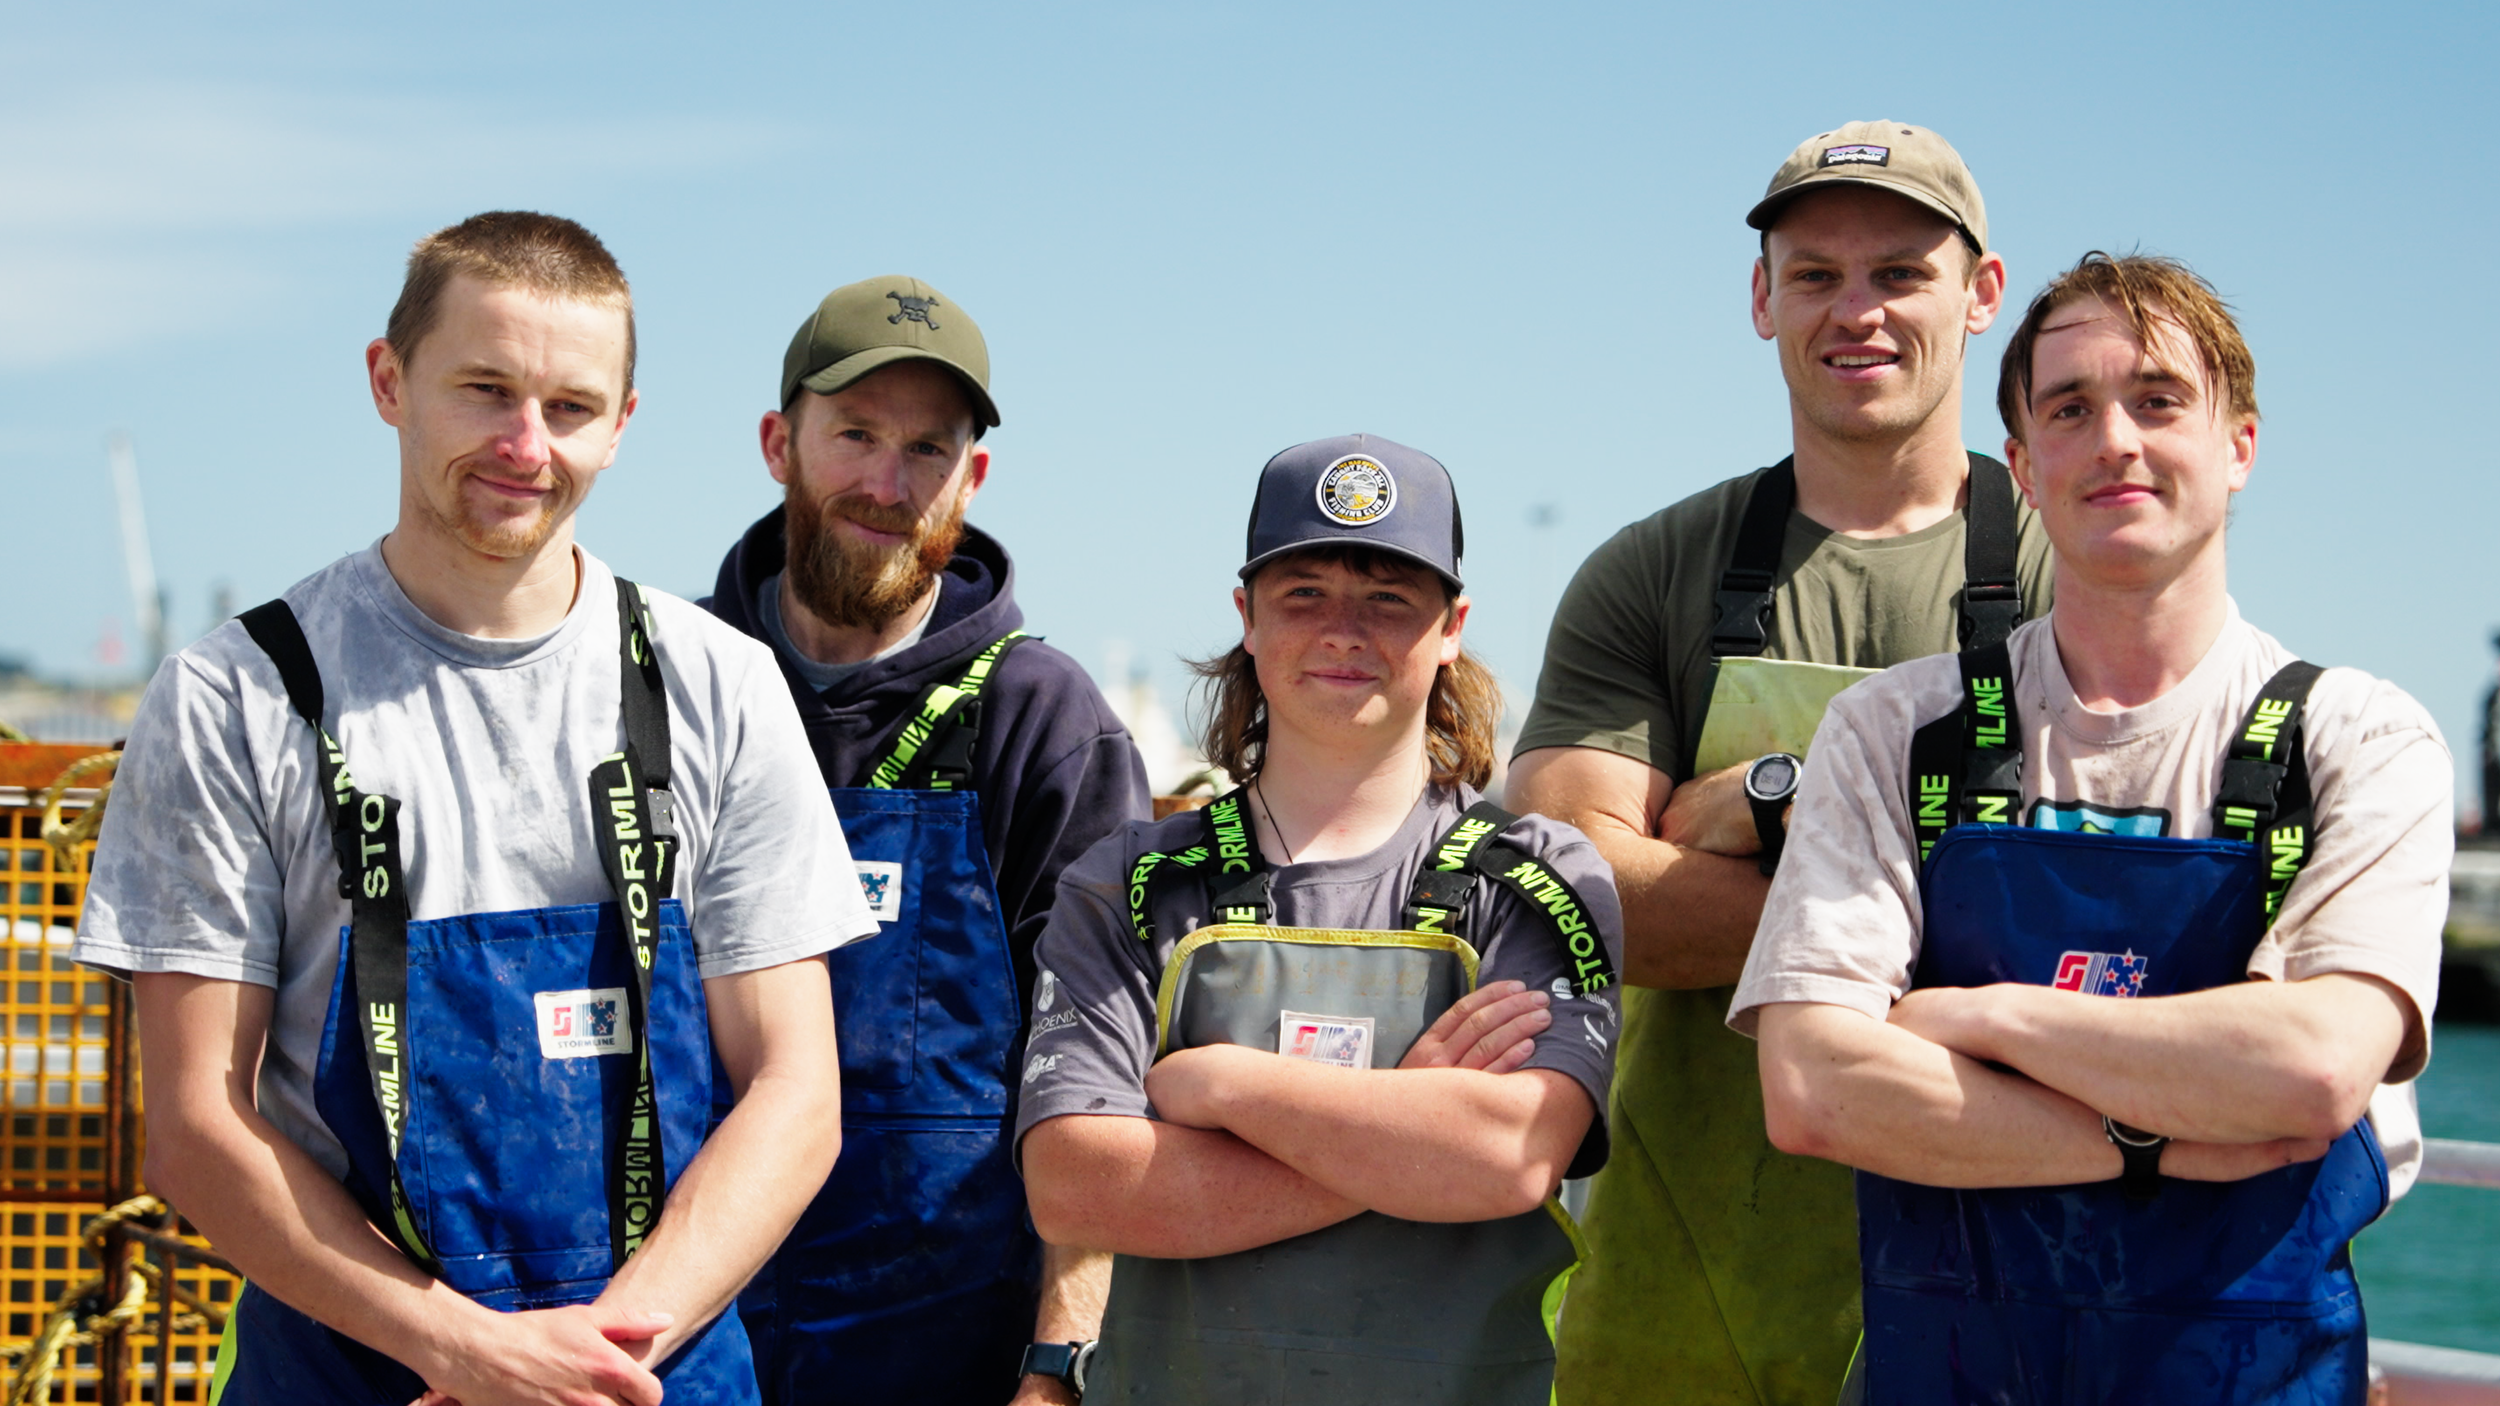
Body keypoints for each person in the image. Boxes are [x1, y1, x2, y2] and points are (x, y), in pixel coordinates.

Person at [74, 212, 869, 1405]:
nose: (524, 444)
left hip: (645, 1368)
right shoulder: (239, 696)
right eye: (484, 389)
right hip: (351, 1369)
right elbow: (197, 1122)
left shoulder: (716, 683)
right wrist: (459, 1350)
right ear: (389, 381)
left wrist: (590, 1361)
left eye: (570, 408)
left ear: (623, 427)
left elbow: (796, 1091)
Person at [1736, 252, 2448, 1402]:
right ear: (2021, 466)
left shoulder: (2356, 740)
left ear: (2240, 448)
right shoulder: (1895, 732)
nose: (2114, 438)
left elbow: (2312, 1071)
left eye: (2158, 399)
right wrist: (2156, 1138)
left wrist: (1984, 1015)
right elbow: (1815, 1087)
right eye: (2069, 408)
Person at [1505, 120, 2054, 1402]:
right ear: (1762, 299)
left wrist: (1732, 812)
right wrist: (1925, 886)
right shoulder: (1650, 571)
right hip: (1681, 1272)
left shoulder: (2061, 573)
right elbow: (1573, 896)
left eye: (1899, 273)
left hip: (2002, 1266)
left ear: (1980, 294)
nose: (1854, 310)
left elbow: (2105, 919)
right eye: (1814, 274)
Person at [1016, 435, 1625, 1404]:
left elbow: (1510, 1153)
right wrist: (1409, 1123)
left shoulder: (1532, 878)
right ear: (1246, 617)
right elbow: (1074, 1184)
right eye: (1304, 593)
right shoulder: (1132, 880)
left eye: (1390, 597)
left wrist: (1219, 1082)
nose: (1345, 630)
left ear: (1453, 624)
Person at [703, 276, 1151, 1406]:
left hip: (952, 1357)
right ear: (777, 442)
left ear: (973, 475)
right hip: (681, 1350)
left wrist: (1059, 1364)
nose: (886, 484)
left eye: (928, 449)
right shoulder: (671, 687)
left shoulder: (1040, 720)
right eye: (854, 434)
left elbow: (1101, 1075)